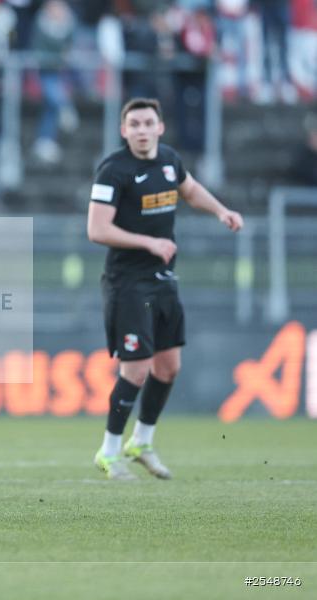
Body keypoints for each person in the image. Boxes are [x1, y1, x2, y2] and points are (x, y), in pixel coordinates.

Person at [87, 97, 243, 481]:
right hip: (127, 283)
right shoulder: (113, 170)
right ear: (124, 131)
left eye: (148, 123)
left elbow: (190, 190)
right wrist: (149, 243)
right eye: (134, 124)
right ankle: (109, 450)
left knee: (169, 367)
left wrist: (221, 210)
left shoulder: (170, 160)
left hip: (162, 280)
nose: (141, 130)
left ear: (160, 128)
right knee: (136, 369)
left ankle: (141, 442)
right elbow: (97, 229)